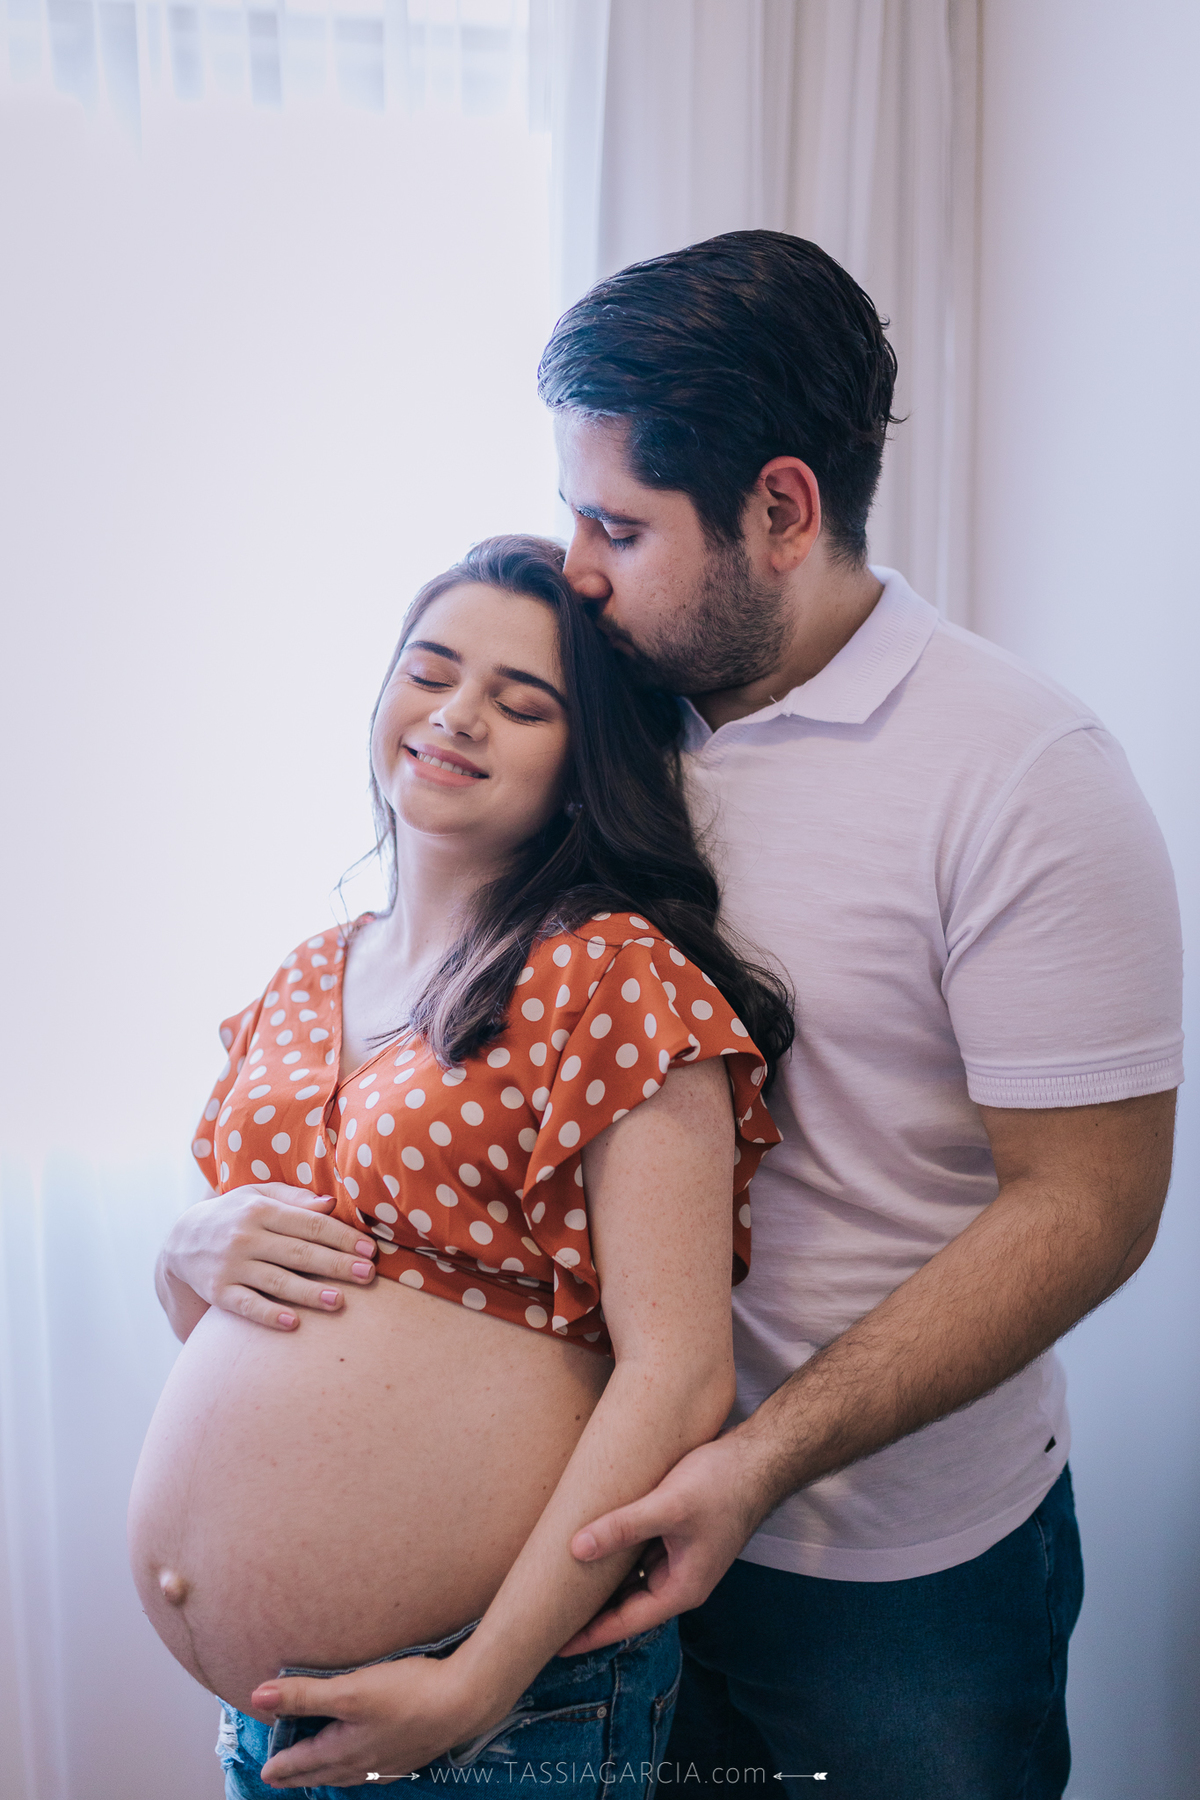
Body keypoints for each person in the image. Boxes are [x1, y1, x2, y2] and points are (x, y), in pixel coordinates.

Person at [537, 230, 1184, 1798]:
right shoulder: (594, 713)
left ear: (781, 511)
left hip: (898, 1591)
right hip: (596, 1529)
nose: (576, 567)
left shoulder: (1023, 776)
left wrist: (760, 1460)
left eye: (619, 524)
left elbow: (1091, 1206)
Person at [129, 535, 794, 1798]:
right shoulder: (303, 977)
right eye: (430, 673)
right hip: (265, 1726)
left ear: (584, 766)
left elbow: (679, 1377)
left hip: (502, 1710)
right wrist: (181, 1251)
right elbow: (240, 1318)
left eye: (521, 702)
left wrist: (479, 1681)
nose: (456, 715)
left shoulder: (612, 975)